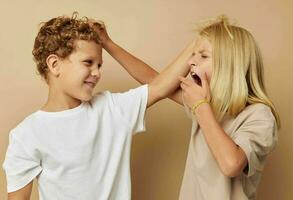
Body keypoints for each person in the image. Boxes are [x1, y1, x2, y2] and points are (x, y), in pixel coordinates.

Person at [2, 13, 195, 199]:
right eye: (88, 62)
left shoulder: (111, 109)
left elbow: (160, 86)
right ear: (54, 64)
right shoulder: (26, 135)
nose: (97, 73)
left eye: (99, 65)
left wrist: (198, 43)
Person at [99, 15, 281, 200]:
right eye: (193, 55)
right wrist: (108, 43)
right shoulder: (208, 104)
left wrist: (201, 107)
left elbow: (231, 165)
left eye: (203, 56)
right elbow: (155, 82)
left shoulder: (260, 115)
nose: (190, 62)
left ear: (230, 64)